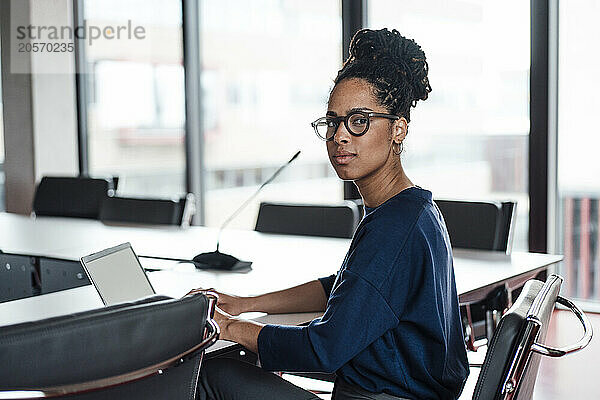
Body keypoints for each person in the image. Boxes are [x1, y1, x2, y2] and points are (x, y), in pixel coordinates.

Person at [196, 28, 469, 400]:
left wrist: (228, 329)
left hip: (382, 395)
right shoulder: (414, 208)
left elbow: (324, 349)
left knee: (213, 373)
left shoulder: (394, 228)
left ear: (398, 129)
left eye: (359, 121)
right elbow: (343, 287)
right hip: (393, 389)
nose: (340, 136)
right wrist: (248, 305)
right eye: (333, 122)